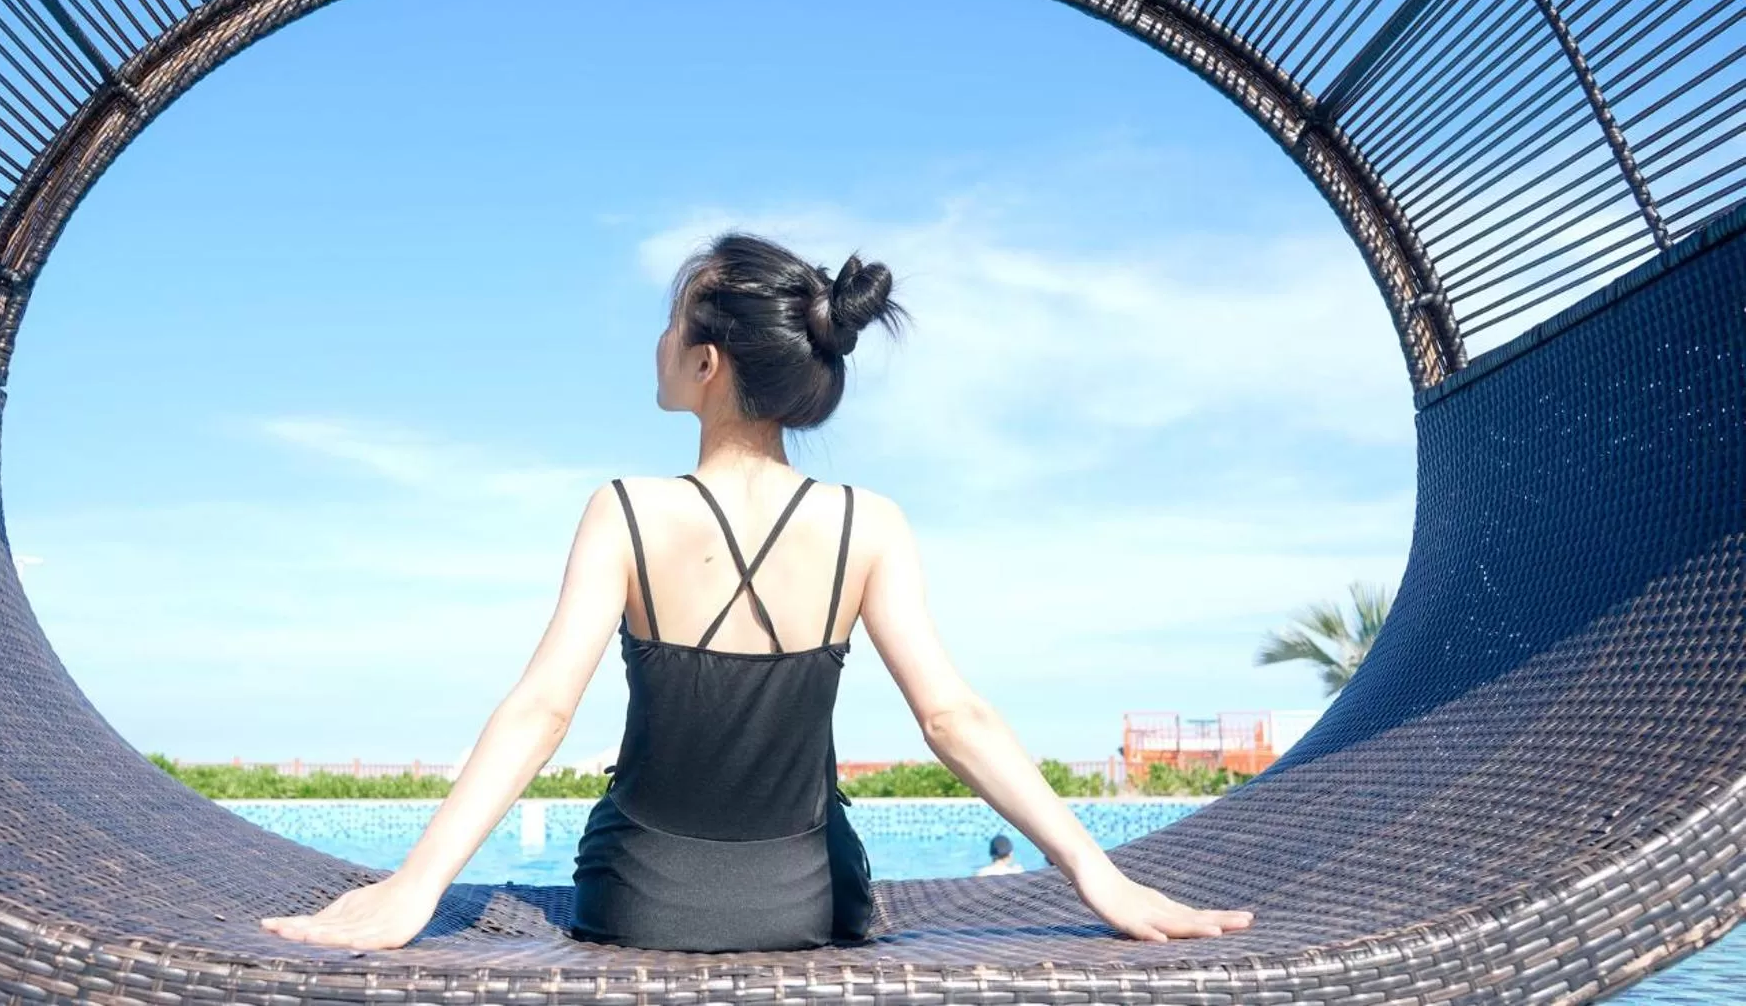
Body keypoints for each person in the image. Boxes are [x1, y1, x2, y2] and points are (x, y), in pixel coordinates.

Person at [260, 232, 1255, 951]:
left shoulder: (623, 510)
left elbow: (542, 708)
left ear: (706, 361)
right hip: (808, 903)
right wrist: (1097, 871)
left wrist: (415, 886)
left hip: (637, 900)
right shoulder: (870, 522)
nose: (654, 342)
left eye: (668, 322)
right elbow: (952, 717)